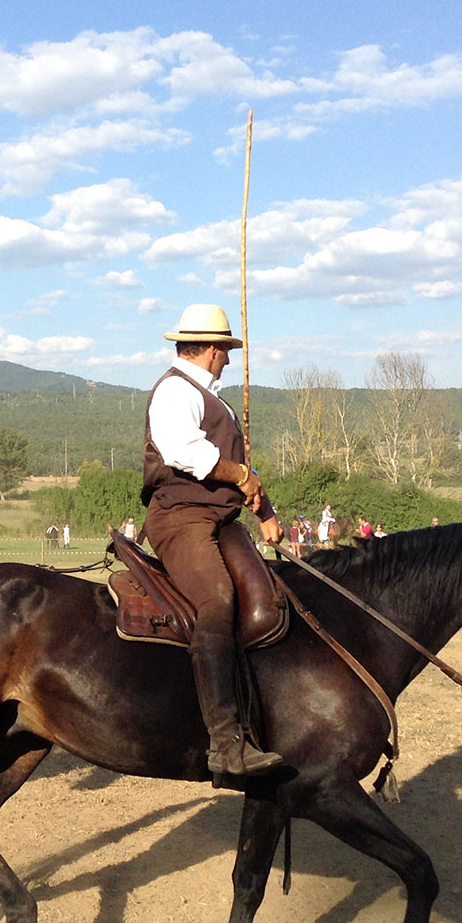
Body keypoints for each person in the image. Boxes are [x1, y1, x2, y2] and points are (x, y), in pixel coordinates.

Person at [142, 304, 285, 778]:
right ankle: (225, 743)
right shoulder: (174, 392)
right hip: (180, 518)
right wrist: (241, 473)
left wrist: (265, 513)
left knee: (269, 594)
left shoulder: (211, 397)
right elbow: (183, 451)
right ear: (210, 350)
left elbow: (240, 479)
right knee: (217, 601)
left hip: (221, 520)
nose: (228, 360)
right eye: (225, 351)